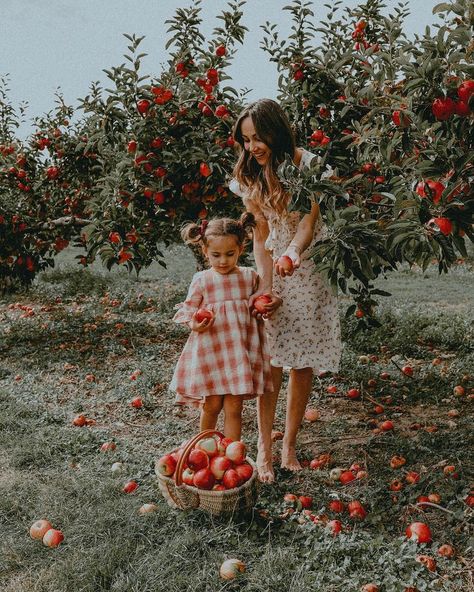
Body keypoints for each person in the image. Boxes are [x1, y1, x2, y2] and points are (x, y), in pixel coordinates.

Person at [229, 98, 341, 483]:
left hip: (308, 267)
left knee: (303, 360)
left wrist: (293, 253)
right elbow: (261, 237)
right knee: (272, 362)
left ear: (276, 132)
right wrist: (267, 286)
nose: (252, 147)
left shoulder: (307, 166)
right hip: (275, 264)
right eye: (246, 140)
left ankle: (289, 442)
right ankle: (263, 445)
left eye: (258, 138)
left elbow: (308, 225)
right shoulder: (251, 176)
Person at [169, 213, 274, 441]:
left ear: (241, 249)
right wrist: (194, 323)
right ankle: (204, 448)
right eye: (216, 255)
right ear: (205, 252)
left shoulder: (249, 277)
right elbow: (187, 310)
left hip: (238, 354)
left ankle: (230, 455)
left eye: (230, 254)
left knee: (234, 407)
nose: (223, 261)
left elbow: (263, 299)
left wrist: (268, 304)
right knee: (212, 405)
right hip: (212, 353)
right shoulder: (203, 279)